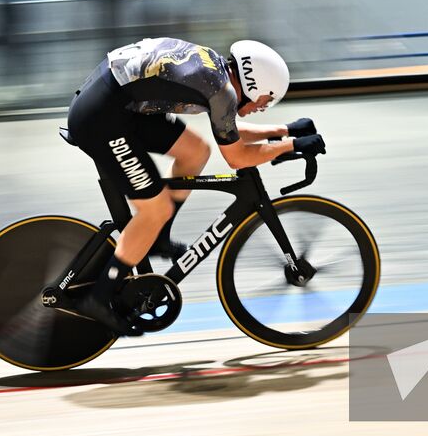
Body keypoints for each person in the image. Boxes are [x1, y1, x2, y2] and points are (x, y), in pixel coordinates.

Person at [64, 37, 321, 335]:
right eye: (265, 100)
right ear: (253, 84)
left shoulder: (218, 73)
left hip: (116, 103)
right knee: (154, 209)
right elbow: (237, 158)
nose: (262, 108)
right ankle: (99, 297)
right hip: (102, 118)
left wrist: (285, 131)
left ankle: (157, 237)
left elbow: (230, 133)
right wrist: (290, 145)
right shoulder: (222, 90)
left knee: (195, 151)